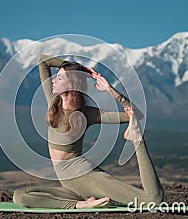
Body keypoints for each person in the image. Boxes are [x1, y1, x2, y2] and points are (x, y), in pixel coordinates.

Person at [13, 55, 164, 209]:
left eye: (59, 78)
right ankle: (82, 203)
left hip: (86, 177)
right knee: (20, 195)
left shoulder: (88, 114)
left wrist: (111, 91)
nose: (53, 80)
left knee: (153, 200)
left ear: (72, 82)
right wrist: (82, 69)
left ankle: (137, 138)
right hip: (70, 186)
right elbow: (43, 61)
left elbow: (136, 115)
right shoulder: (54, 102)